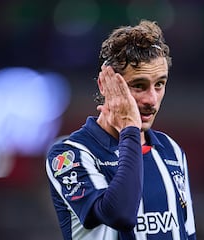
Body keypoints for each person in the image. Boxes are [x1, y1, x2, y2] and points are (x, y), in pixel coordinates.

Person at [45, 19, 196, 240]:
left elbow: (187, 234)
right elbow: (121, 215)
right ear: (105, 85)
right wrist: (130, 129)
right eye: (138, 86)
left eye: (159, 84)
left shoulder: (171, 150)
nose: (151, 100)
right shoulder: (71, 154)